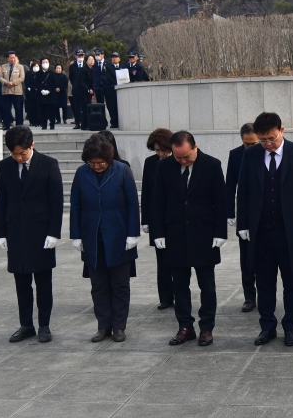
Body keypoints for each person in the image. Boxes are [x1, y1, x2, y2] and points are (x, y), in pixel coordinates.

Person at [236, 112, 293, 347]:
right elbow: (245, 191)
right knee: (265, 283)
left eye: (271, 138)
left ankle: (291, 326)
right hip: (261, 233)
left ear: (282, 130)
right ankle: (267, 326)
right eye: (262, 140)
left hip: (290, 233)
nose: (267, 144)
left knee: (292, 283)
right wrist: (243, 225)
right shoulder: (251, 155)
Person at [152, 131, 227, 347]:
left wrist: (220, 233)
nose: (183, 161)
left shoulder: (212, 165)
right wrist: (158, 233)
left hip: (204, 234)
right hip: (174, 234)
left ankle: (206, 327)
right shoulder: (164, 167)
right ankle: (185, 326)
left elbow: (220, 201)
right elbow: (158, 201)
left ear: (195, 147)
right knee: (180, 286)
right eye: (178, 157)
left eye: (186, 156)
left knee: (207, 286)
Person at [0, 126, 64, 343]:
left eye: (22, 153)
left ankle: (44, 325)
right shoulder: (5, 166)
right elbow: (1, 200)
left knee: (43, 282)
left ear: (32, 145)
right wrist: (0, 233)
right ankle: (26, 324)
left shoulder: (48, 164)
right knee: (21, 282)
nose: (18, 158)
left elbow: (56, 202)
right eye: (14, 154)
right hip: (15, 231)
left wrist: (54, 233)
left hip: (41, 233)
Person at [70, 135, 140, 342]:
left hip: (118, 234)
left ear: (109, 159)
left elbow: (132, 204)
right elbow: (75, 204)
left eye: (100, 162)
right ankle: (103, 325)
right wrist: (76, 235)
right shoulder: (82, 173)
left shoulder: (122, 170)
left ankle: (119, 326)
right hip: (92, 235)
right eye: (92, 163)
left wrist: (132, 233)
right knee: (98, 284)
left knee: (119, 284)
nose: (96, 166)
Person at [225, 123, 260, 312]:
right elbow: (230, 186)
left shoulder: (266, 152)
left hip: (264, 213)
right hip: (245, 213)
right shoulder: (236, 155)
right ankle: (249, 295)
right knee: (246, 257)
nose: (251, 148)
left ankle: (264, 293)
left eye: (254, 143)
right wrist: (229, 213)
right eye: (247, 144)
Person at [141, 128, 175, 310]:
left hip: (175, 217)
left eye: (164, 149)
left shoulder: (178, 160)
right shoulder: (151, 163)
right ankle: (165, 297)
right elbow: (146, 192)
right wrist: (145, 219)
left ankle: (179, 292)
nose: (161, 153)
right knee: (161, 261)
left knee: (176, 260)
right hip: (157, 218)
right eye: (157, 150)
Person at [93, 48, 119, 128]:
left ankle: (114, 121)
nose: (98, 56)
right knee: (100, 105)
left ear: (103, 55)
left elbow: (113, 76)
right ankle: (102, 122)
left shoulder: (108, 64)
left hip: (108, 87)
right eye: (96, 55)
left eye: (99, 54)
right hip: (98, 88)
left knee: (110, 105)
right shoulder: (95, 65)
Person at [1, 51, 26, 129]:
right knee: (6, 109)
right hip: (6, 90)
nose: (13, 59)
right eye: (11, 58)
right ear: (7, 58)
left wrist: (13, 83)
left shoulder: (20, 67)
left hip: (16, 91)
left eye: (14, 58)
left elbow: (22, 77)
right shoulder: (3, 66)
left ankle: (19, 125)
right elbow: (0, 77)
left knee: (18, 108)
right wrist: (6, 82)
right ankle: (6, 124)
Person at [69, 49, 91, 130]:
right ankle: (77, 123)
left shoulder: (86, 65)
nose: (80, 57)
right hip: (76, 90)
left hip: (85, 90)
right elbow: (71, 77)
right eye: (79, 55)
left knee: (85, 108)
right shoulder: (72, 66)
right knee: (76, 108)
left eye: (82, 55)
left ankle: (85, 124)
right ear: (75, 56)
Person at [35, 58, 58, 130]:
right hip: (41, 95)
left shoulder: (52, 73)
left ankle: (52, 124)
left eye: (46, 62)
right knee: (42, 111)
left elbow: (55, 83)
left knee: (51, 111)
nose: (45, 63)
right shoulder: (38, 73)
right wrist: (41, 90)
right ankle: (44, 124)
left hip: (51, 95)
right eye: (43, 62)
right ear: (41, 64)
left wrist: (49, 90)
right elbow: (36, 83)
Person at [25, 59, 39, 127]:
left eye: (37, 66)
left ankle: (38, 121)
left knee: (38, 108)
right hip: (31, 93)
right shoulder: (28, 73)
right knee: (31, 108)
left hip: (39, 92)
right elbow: (27, 83)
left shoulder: (40, 73)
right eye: (34, 66)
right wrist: (33, 88)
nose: (36, 67)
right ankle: (32, 121)